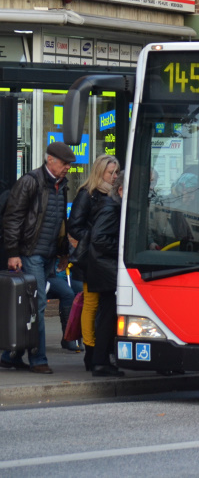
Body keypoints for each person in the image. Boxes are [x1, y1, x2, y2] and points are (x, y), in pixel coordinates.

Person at [1, 141, 76, 374]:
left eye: (70, 165)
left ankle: (10, 355)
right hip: (31, 254)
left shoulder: (61, 185)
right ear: (50, 160)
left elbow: (60, 221)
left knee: (36, 305)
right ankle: (38, 359)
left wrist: (63, 253)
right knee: (38, 306)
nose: (68, 168)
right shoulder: (31, 182)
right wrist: (13, 253)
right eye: (65, 164)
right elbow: (12, 219)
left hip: (48, 256)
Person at [67, 153, 119, 371]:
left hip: (103, 257)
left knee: (101, 305)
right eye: (111, 172)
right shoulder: (87, 194)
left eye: (117, 172)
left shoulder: (113, 195)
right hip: (90, 257)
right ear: (100, 172)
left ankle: (99, 351)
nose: (115, 176)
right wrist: (93, 237)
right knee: (90, 304)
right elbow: (74, 226)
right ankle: (90, 351)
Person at [87, 169, 126, 377]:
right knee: (107, 315)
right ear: (120, 190)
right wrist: (123, 249)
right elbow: (99, 239)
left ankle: (100, 359)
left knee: (107, 315)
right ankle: (100, 361)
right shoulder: (111, 209)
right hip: (105, 268)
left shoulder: (110, 205)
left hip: (103, 267)